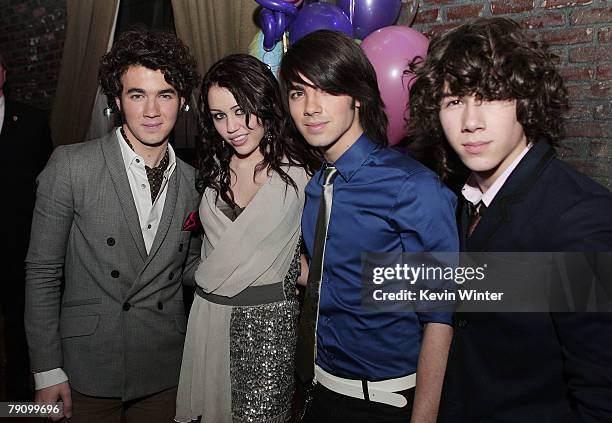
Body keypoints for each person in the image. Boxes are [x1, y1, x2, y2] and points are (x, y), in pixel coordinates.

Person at [408, 17, 612, 422]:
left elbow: (601, 394)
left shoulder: (580, 219)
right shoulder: (464, 200)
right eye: (453, 101)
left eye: (490, 96)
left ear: (526, 100)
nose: (470, 121)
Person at [279, 30, 458, 423]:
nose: (310, 107)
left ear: (357, 95)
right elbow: (342, 275)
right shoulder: (316, 186)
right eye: (297, 93)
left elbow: (440, 315)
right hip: (318, 390)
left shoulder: (411, 186)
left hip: (383, 402)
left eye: (325, 89)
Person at [24, 29, 201, 422]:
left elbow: (187, 267)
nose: (152, 110)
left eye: (165, 94)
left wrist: (244, 264)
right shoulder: (71, 166)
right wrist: (47, 368)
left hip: (164, 365)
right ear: (118, 101)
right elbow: (42, 272)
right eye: (138, 95)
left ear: (182, 101)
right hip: (85, 365)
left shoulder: (194, 182)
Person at [174, 53, 319, 423]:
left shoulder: (301, 174)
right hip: (206, 320)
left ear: (265, 103)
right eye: (219, 116)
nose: (231, 127)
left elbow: (311, 259)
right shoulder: (212, 169)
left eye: (241, 111)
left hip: (268, 330)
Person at [0, 52, 53, 400]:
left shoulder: (32, 121)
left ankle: (18, 394)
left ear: (3, 73)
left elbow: (47, 185)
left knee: (20, 323)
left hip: (18, 244)